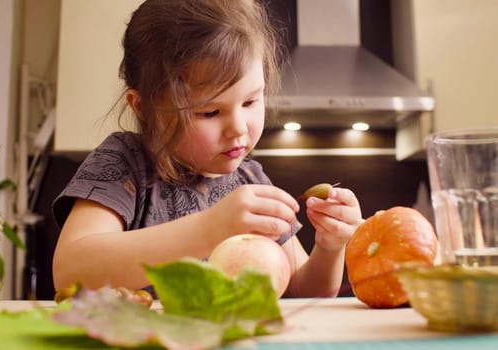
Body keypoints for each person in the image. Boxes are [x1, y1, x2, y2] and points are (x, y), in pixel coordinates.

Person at [52, 0, 363, 298]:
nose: (239, 127)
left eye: (251, 101)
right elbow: (70, 271)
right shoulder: (124, 163)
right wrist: (208, 229)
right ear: (143, 108)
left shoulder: (250, 180)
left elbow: (300, 292)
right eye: (210, 112)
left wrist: (330, 248)